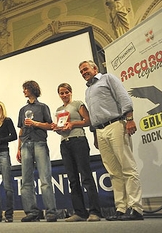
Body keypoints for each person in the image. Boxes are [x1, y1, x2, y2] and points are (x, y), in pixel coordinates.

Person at [78, 60, 143, 221]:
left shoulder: (108, 78)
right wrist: (94, 135)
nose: (83, 72)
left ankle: (136, 208)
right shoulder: (88, 91)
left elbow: (124, 98)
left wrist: (130, 119)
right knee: (113, 172)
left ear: (95, 68)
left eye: (85, 69)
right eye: (81, 71)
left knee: (127, 167)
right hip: (100, 131)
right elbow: (93, 115)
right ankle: (121, 209)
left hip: (116, 124)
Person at [52, 83, 102, 222]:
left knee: (86, 176)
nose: (64, 95)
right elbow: (62, 128)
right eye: (61, 93)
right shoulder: (59, 109)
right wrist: (58, 128)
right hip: (65, 143)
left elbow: (88, 121)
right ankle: (80, 212)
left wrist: (73, 124)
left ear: (71, 92)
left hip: (78, 140)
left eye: (66, 92)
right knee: (73, 179)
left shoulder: (78, 104)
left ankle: (95, 211)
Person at [16, 80, 58, 222]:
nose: (24, 91)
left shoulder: (42, 107)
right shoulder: (22, 110)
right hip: (25, 144)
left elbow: (51, 125)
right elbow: (21, 129)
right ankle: (32, 212)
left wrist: (35, 124)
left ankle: (51, 212)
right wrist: (18, 148)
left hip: (40, 142)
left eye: (25, 88)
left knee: (45, 179)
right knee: (26, 181)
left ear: (32, 89)